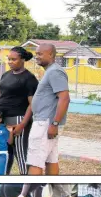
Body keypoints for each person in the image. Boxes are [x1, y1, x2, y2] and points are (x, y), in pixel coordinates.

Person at [0, 47, 38, 175]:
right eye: (9, 59)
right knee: (4, 152)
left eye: (14, 59)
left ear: (23, 60)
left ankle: (26, 185)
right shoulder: (6, 75)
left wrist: (23, 124)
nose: (10, 62)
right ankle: (3, 181)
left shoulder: (29, 78)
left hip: (18, 119)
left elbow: (32, 104)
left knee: (20, 153)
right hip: (2, 119)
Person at [27, 44, 70, 175]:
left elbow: (65, 98)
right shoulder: (50, 71)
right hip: (46, 123)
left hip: (45, 123)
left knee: (35, 161)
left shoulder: (55, 72)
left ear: (51, 54)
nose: (36, 56)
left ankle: (32, 195)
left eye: (40, 54)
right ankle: (52, 194)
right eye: (36, 54)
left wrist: (54, 124)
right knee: (51, 160)